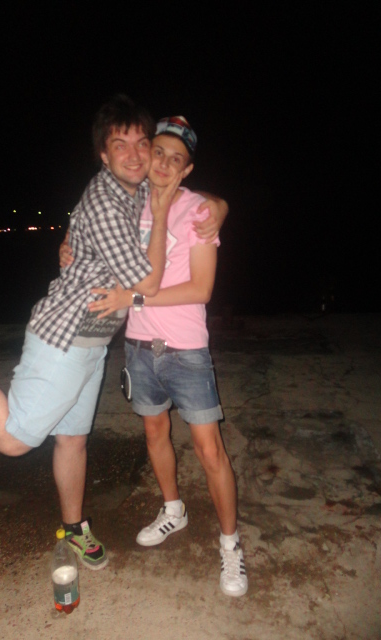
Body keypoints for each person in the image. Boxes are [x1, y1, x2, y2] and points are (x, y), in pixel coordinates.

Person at [0, 95, 227, 573]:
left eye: (142, 143)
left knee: (72, 440)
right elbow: (147, 284)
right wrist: (159, 219)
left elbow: (184, 193)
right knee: (15, 438)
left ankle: (75, 528)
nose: (137, 155)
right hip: (65, 337)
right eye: (120, 145)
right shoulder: (108, 202)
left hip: (93, 344)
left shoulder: (137, 188)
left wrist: (219, 205)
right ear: (103, 154)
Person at [86, 117, 248, 597]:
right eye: (158, 151)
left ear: (187, 169)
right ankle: (173, 510)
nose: (162, 163)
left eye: (176, 159)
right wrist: (68, 242)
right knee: (154, 433)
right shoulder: (127, 201)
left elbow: (201, 289)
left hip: (186, 349)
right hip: (138, 346)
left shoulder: (198, 212)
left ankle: (230, 544)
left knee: (209, 450)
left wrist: (132, 298)